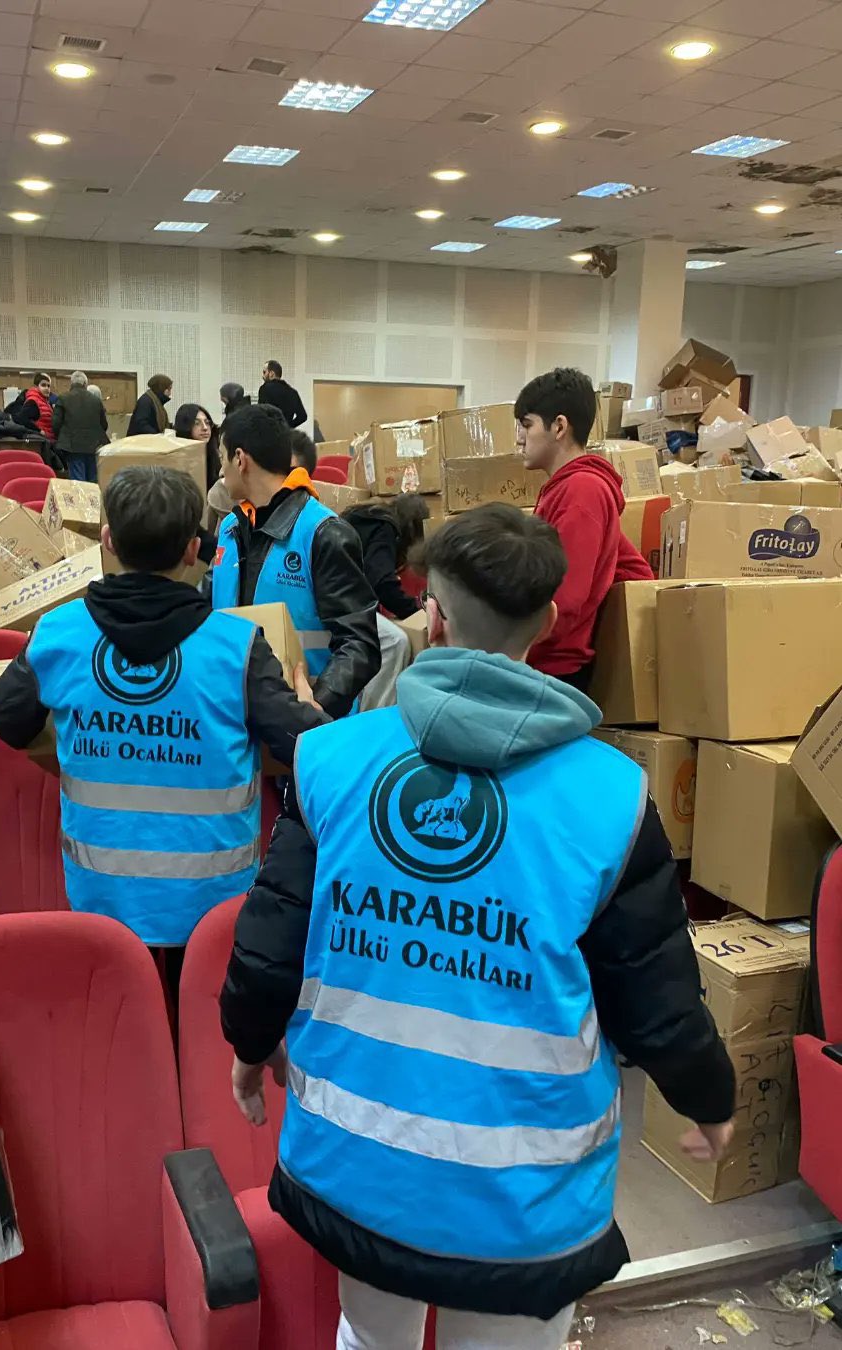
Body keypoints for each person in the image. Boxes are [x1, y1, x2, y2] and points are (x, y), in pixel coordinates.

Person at [220, 503, 737, 1350]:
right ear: (550, 621)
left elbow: (270, 942)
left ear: (434, 617)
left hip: (363, 1162)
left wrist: (249, 1045)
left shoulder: (333, 760)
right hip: (523, 1192)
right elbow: (657, 993)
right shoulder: (611, 796)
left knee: (369, 1337)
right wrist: (709, 1099)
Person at [0, 465, 327, 949]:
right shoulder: (237, 647)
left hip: (100, 900)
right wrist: (307, 705)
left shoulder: (57, 633)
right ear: (193, 549)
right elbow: (309, 750)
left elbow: (6, 721)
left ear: (107, 541)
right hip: (215, 909)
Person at [211, 404, 380, 720]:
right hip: (234, 713)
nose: (221, 472)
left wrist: (317, 707)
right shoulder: (231, 529)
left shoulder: (324, 533)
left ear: (239, 459)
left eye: (222, 458)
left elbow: (359, 645)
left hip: (309, 723)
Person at [516, 368, 653, 692]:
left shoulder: (582, 490)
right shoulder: (568, 488)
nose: (519, 438)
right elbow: (632, 569)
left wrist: (504, 644)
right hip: (541, 659)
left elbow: (565, 599)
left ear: (559, 426)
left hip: (553, 670)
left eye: (526, 425)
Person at [343, 494, 429, 621]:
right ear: (412, 528)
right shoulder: (385, 527)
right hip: (343, 605)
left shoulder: (369, 519)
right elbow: (382, 583)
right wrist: (414, 610)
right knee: (397, 634)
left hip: (331, 595)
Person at [52, 371, 109, 483]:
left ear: (71, 383)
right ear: (85, 384)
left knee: (78, 481)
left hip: (72, 446)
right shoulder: (96, 400)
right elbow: (104, 425)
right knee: (92, 481)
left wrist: (63, 437)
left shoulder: (63, 398)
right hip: (93, 446)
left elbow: (56, 424)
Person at [174, 402, 220, 492]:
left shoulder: (215, 453)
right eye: (197, 423)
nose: (205, 428)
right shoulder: (178, 459)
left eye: (207, 422)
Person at [258, 360, 307, 429]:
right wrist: (288, 427)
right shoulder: (293, 392)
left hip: (269, 432)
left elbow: (260, 414)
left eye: (264, 372)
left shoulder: (264, 389)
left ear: (271, 373)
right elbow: (303, 416)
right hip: (286, 434)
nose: (263, 376)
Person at [16, 372, 54, 440]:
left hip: (49, 439)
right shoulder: (33, 401)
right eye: (43, 385)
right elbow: (22, 418)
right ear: (36, 387)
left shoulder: (46, 402)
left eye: (48, 386)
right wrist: (39, 431)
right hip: (41, 440)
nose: (47, 388)